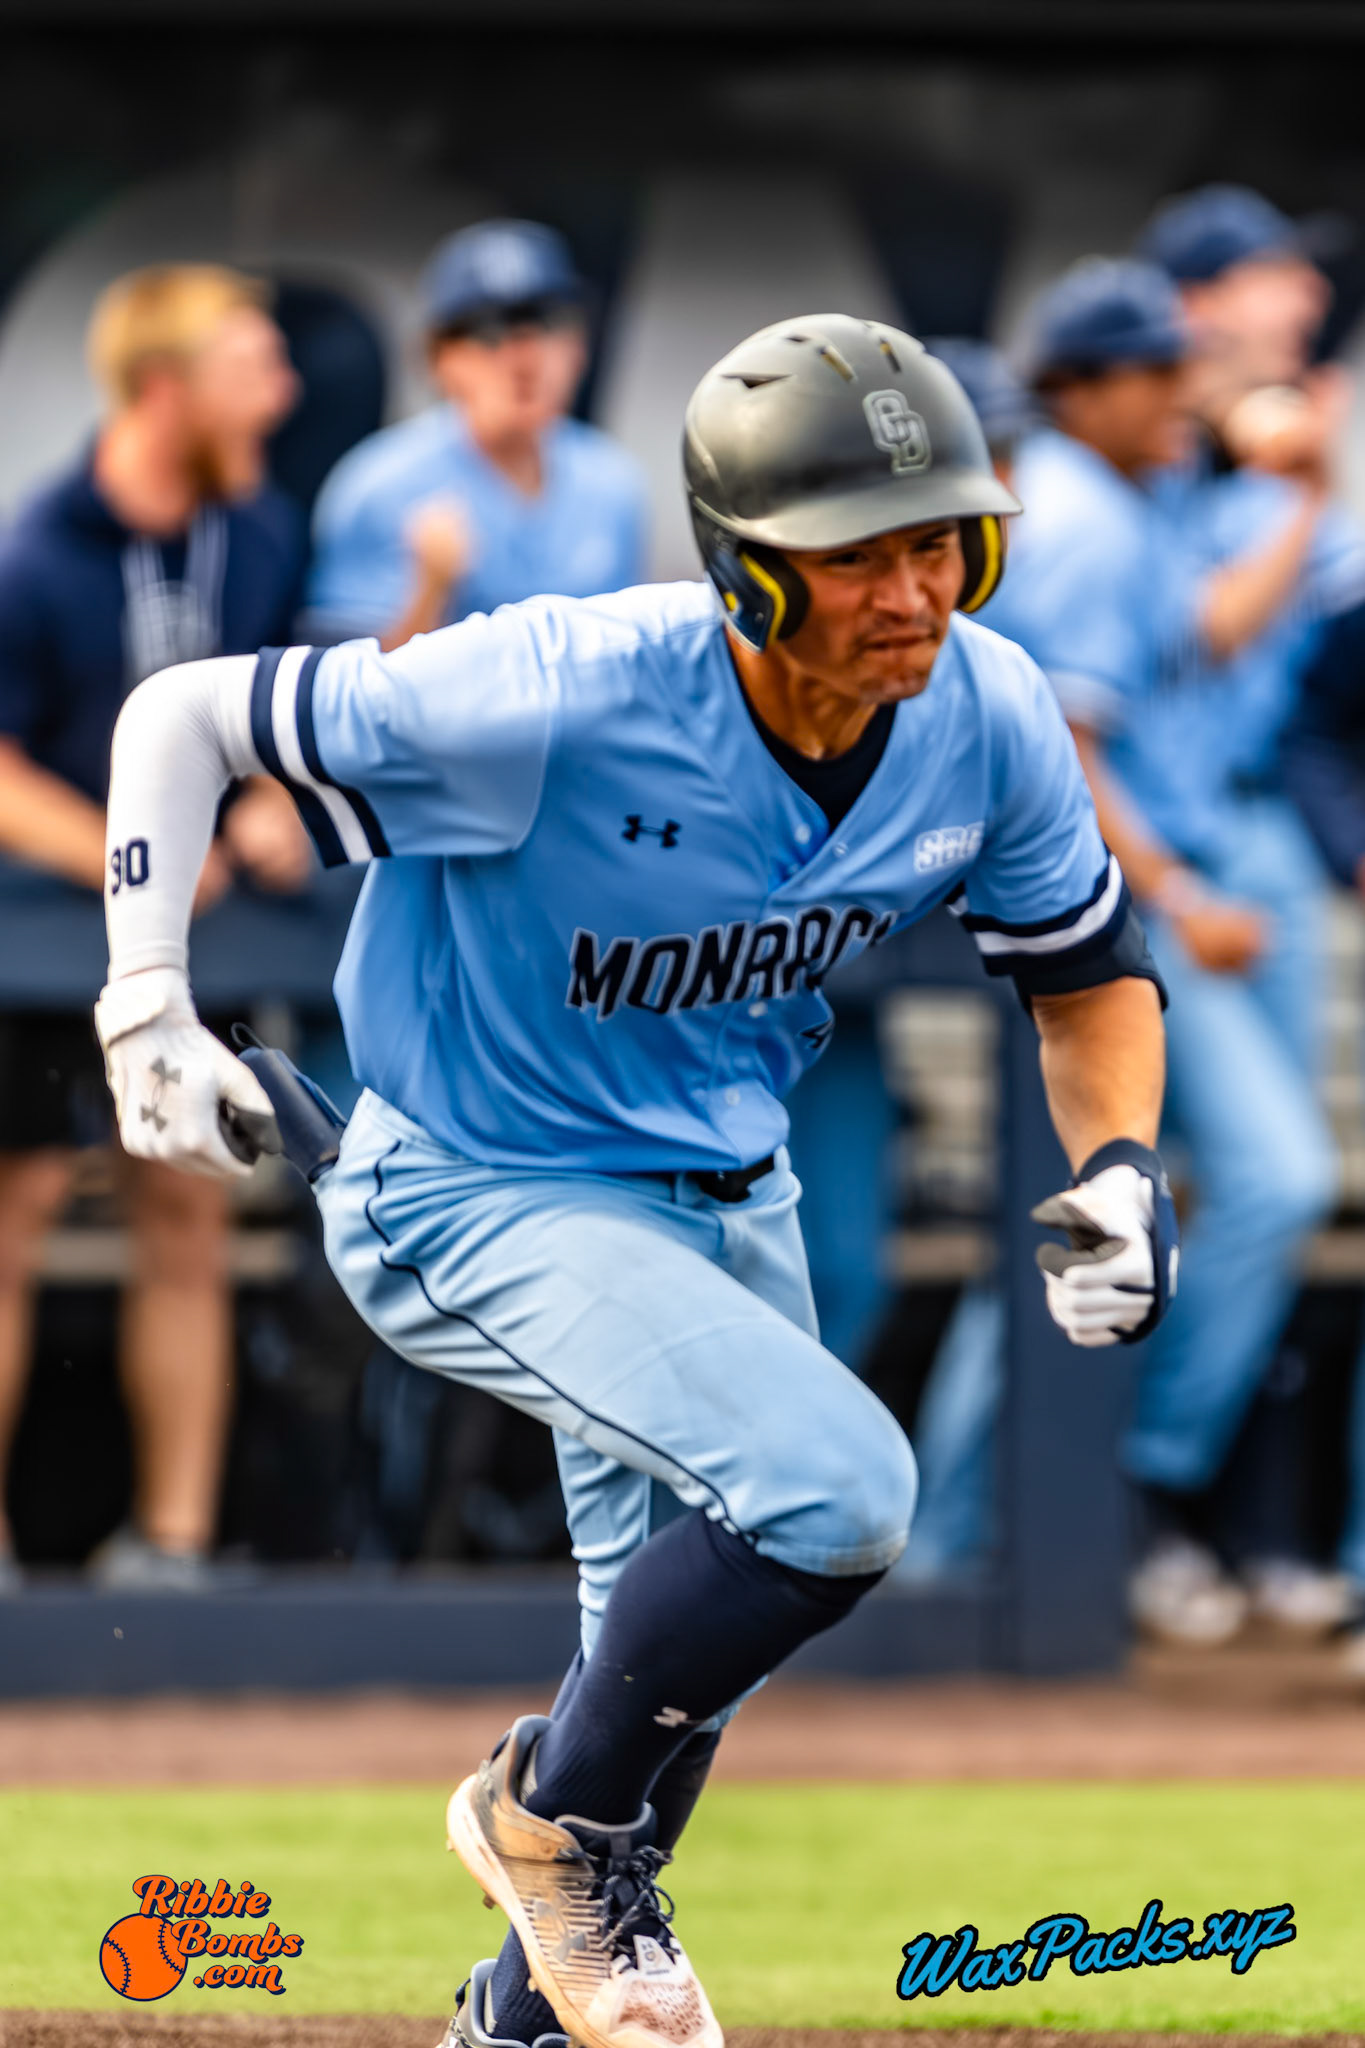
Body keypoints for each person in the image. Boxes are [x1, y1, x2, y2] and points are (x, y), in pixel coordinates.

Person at [92, 315, 1175, 2048]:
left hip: (729, 1191)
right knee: (836, 1494)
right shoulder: (558, 686)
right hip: (477, 1183)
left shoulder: (988, 710)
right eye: (858, 554)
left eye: (942, 545)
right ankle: (539, 1814)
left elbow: (1088, 970)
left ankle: (515, 2020)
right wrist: (146, 998)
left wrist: (1117, 1163)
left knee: (669, 1671)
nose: (912, 593)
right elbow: (183, 715)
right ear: (750, 568)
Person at [987, 256, 1349, 1645]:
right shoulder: (1082, 518)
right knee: (1260, 1180)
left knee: (1094, 1228)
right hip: (1114, 904)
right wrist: (1183, 890)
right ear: (1078, 389)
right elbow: (1069, 761)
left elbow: (1203, 633)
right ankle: (1127, 1487)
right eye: (1152, 374)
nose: (1179, 396)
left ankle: (1004, 1523)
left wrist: (1297, 484)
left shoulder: (1122, 502)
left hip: (1144, 889)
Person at [0, 263, 309, 1590]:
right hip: (35, 945)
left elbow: (286, 715)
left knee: (189, 1213)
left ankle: (171, 1553)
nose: (281, 394)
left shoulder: (263, 531)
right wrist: (136, 861)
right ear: (166, 387)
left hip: (201, 947)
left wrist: (270, 803)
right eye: (252, 367)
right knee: (10, 1220)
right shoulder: (35, 551)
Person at [303, 219, 647, 648]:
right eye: (489, 332)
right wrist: (431, 590)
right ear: (438, 360)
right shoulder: (375, 485)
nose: (524, 359)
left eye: (547, 324)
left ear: (580, 349)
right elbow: (344, 680)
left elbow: (624, 655)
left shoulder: (613, 480)